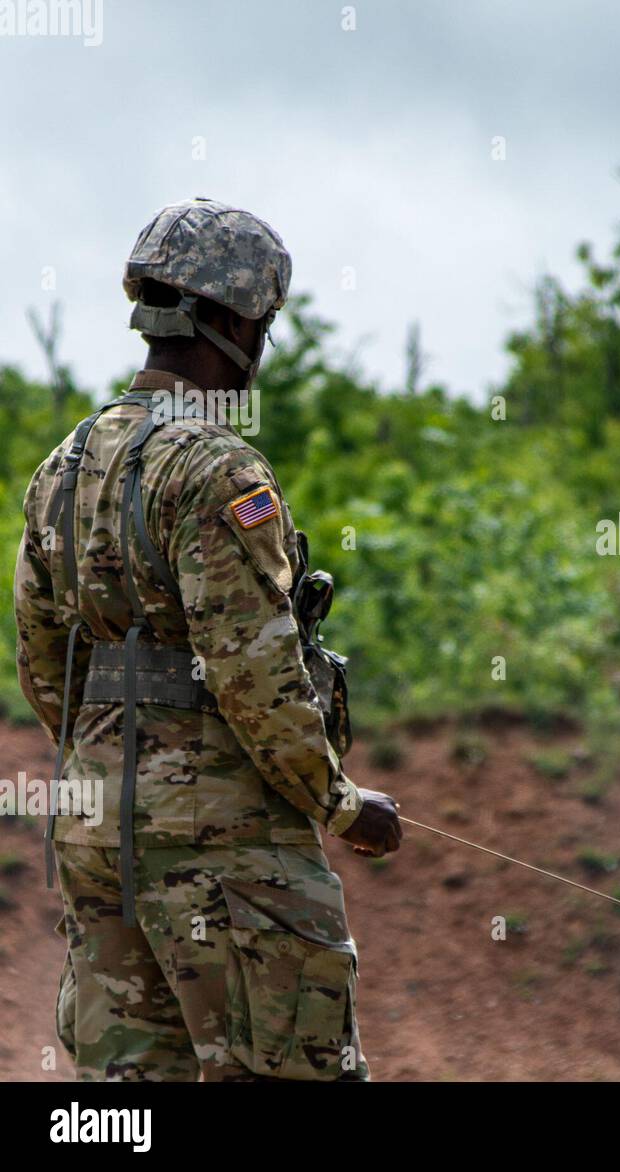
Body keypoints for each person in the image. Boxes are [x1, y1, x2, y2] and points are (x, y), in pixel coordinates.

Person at [13, 197, 402, 1081]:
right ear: (227, 321)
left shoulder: (63, 468)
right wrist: (341, 804)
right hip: (226, 853)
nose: (260, 352)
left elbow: (43, 665)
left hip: (97, 836)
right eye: (260, 328)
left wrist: (113, 769)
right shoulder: (219, 468)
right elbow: (256, 674)